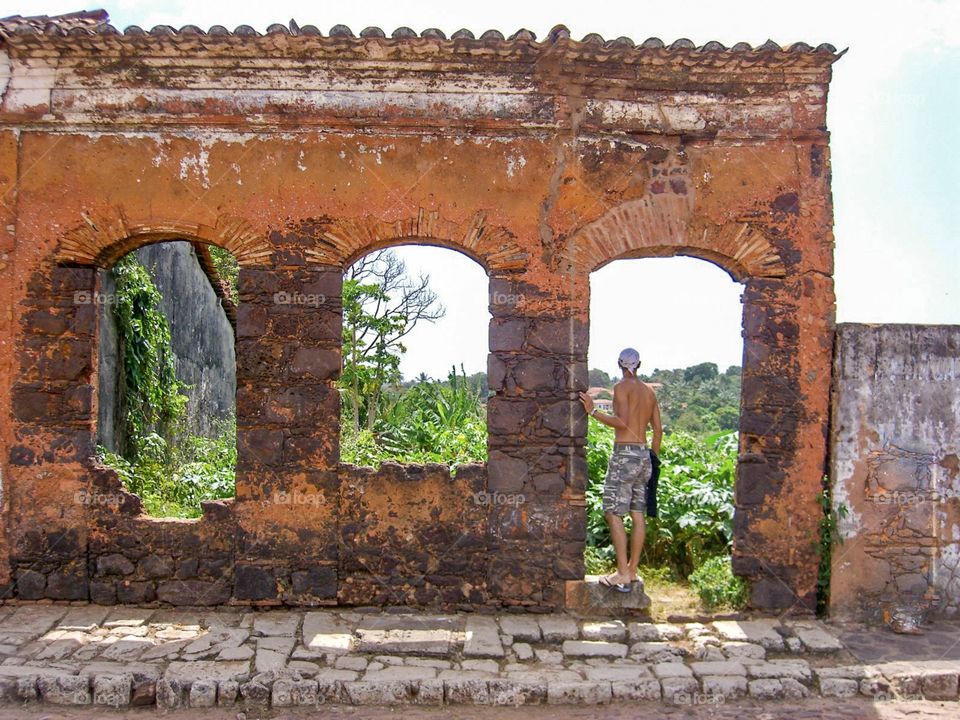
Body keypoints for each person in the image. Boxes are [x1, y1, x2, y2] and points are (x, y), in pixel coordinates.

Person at [579, 348, 662, 593]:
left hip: (624, 454)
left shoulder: (621, 388)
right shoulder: (649, 392)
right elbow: (658, 431)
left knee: (613, 512)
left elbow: (622, 422)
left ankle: (622, 573)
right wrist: (653, 459)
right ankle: (632, 570)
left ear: (619, 364)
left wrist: (593, 411)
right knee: (637, 513)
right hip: (644, 454)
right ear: (640, 364)